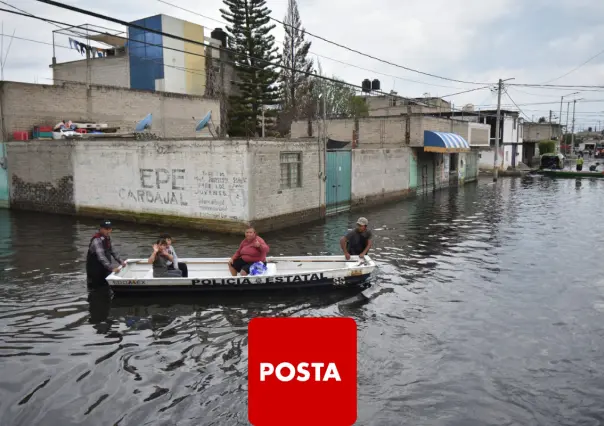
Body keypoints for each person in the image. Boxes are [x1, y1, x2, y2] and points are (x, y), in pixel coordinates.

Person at [86, 220, 127, 287]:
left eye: (110, 229)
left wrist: (121, 262)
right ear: (101, 228)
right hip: (95, 270)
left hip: (105, 268)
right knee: (95, 289)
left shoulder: (107, 238)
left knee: (106, 287)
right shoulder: (96, 240)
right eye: (106, 229)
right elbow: (101, 257)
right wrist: (111, 268)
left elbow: (113, 251)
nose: (108, 231)